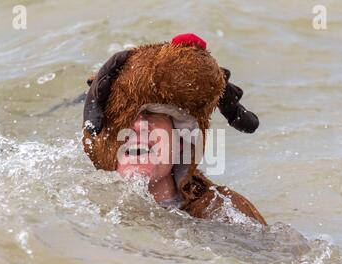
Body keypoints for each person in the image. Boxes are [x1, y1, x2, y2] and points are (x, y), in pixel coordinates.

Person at [83, 33, 267, 226]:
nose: (138, 125)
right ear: (106, 141)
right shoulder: (85, 208)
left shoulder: (223, 211)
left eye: (152, 115)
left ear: (180, 141)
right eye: (125, 118)